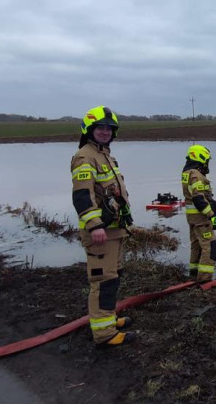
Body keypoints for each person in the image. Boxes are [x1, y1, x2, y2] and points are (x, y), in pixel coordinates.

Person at [71, 106, 135, 347]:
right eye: (101, 128)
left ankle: (108, 319)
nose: (105, 132)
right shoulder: (84, 156)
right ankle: (104, 333)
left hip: (114, 230)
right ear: (90, 130)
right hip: (101, 232)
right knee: (104, 280)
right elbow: (82, 195)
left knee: (114, 276)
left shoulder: (105, 155)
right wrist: (95, 225)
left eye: (109, 128)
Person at [181, 144, 216, 282]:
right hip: (201, 219)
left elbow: (198, 196)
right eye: (207, 160)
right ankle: (204, 279)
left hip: (192, 218)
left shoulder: (188, 173)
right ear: (201, 158)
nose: (207, 163)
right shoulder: (196, 175)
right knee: (211, 246)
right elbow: (198, 198)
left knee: (196, 245)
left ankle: (193, 275)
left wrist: (213, 203)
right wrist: (212, 216)